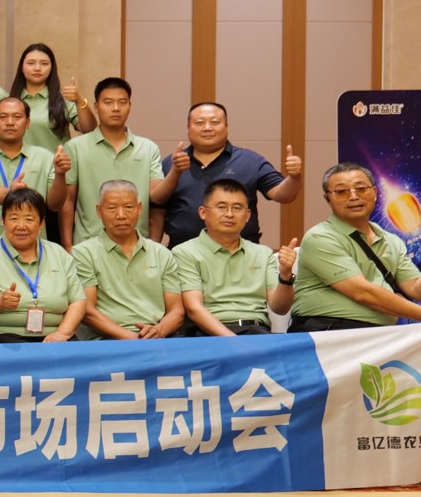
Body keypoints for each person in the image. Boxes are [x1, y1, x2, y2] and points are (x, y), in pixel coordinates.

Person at [290, 162, 421, 331]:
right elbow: (363, 293)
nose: (353, 196)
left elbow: (419, 290)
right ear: (328, 198)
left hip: (378, 335)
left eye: (361, 189)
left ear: (375, 193)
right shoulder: (320, 237)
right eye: (342, 191)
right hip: (328, 331)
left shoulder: (390, 240)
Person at [155, 102, 304, 246]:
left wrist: (294, 177)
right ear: (188, 128)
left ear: (226, 126)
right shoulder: (172, 163)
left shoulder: (250, 160)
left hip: (241, 253)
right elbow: (157, 210)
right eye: (199, 123)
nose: (207, 128)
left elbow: (283, 195)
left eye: (214, 122)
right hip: (183, 254)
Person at [172, 179, 296, 336]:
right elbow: (194, 308)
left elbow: (280, 308)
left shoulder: (263, 253)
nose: (229, 214)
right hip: (209, 334)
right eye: (221, 207)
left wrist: (285, 275)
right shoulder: (185, 252)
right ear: (203, 212)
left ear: (247, 215)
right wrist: (233, 340)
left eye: (237, 208)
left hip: (257, 332)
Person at [0, 188, 85, 343]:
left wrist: (61, 333)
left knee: (80, 356)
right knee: (25, 356)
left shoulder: (58, 254)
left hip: (53, 335)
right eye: (14, 218)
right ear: (3, 221)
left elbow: (78, 301)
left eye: (29, 219)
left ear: (41, 223)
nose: (21, 226)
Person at [58, 77, 167, 246]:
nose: (116, 108)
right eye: (108, 102)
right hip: (89, 246)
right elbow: (67, 201)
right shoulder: (75, 147)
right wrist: (67, 246)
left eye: (122, 102)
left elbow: (156, 199)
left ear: (130, 106)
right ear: (96, 106)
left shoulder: (148, 148)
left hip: (137, 245)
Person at [72, 181, 184, 340]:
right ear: (99, 211)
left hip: (156, 338)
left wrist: (159, 330)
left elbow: (176, 310)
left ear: (139, 208)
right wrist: (132, 338)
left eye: (129, 207)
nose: (121, 215)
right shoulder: (83, 253)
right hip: (107, 340)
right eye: (112, 208)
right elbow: (87, 310)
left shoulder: (161, 254)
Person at [0, 96, 67, 242]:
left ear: (27, 122)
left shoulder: (45, 157)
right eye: (3, 117)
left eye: (17, 117)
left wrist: (60, 175)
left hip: (34, 245)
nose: (10, 122)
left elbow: (55, 205)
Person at [7, 42, 96, 153]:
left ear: (52, 68)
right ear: (22, 67)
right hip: (19, 163)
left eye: (44, 63)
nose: (37, 68)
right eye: (31, 63)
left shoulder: (63, 100)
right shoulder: (9, 102)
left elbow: (89, 129)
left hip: (56, 163)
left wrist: (79, 100)